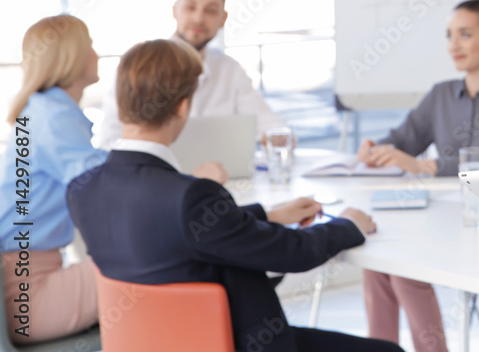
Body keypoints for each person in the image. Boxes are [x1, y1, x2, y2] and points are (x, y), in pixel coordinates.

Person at [66, 39, 402, 352]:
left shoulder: (82, 191)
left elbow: (173, 234)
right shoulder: (192, 197)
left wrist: (267, 215)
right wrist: (348, 225)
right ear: (183, 107)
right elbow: (292, 252)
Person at [354, 0, 479, 352]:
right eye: (449, 35)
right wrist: (376, 148)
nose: (453, 45)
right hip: (439, 217)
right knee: (379, 261)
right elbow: (403, 139)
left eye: (465, 34)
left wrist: (424, 166)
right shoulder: (442, 94)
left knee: (403, 266)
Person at [94, 0, 286, 150]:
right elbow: (109, 139)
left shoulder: (230, 70)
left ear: (223, 19)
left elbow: (271, 127)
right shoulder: (138, 66)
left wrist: (279, 140)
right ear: (175, 10)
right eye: (190, 7)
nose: (198, 18)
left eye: (211, 11)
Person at [1, 15, 106, 342]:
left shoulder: (42, 111)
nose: (96, 54)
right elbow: (105, 183)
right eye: (90, 45)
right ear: (72, 55)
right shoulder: (52, 116)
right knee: (156, 260)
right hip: (28, 294)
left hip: (27, 281)